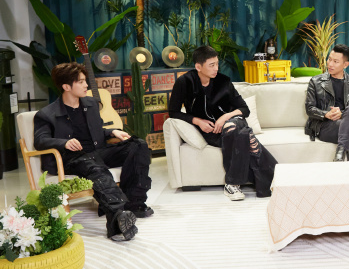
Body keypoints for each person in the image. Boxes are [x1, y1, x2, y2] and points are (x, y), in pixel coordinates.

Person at [34, 62, 152, 242]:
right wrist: (64, 143)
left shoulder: (91, 104)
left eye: (85, 81)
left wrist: (112, 132)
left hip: (97, 151)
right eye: (81, 82)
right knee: (95, 167)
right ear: (66, 86)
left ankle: (134, 203)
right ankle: (117, 217)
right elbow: (40, 141)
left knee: (138, 145)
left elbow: (96, 131)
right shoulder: (47, 114)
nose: (86, 85)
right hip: (73, 159)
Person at [168, 46, 276, 200]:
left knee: (232, 126)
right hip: (211, 131)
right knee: (245, 136)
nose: (216, 69)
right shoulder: (184, 82)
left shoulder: (223, 81)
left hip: (234, 122)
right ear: (198, 67)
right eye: (211, 65)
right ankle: (275, 178)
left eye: (217, 64)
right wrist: (197, 121)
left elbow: (244, 109)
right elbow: (173, 112)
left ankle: (232, 184)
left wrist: (225, 117)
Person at [305, 44, 349, 162]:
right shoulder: (315, 82)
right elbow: (309, 108)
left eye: (336, 61)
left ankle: (339, 155)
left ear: (345, 64)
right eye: (329, 59)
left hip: (348, 122)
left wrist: (342, 113)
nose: (330, 64)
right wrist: (326, 114)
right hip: (326, 126)